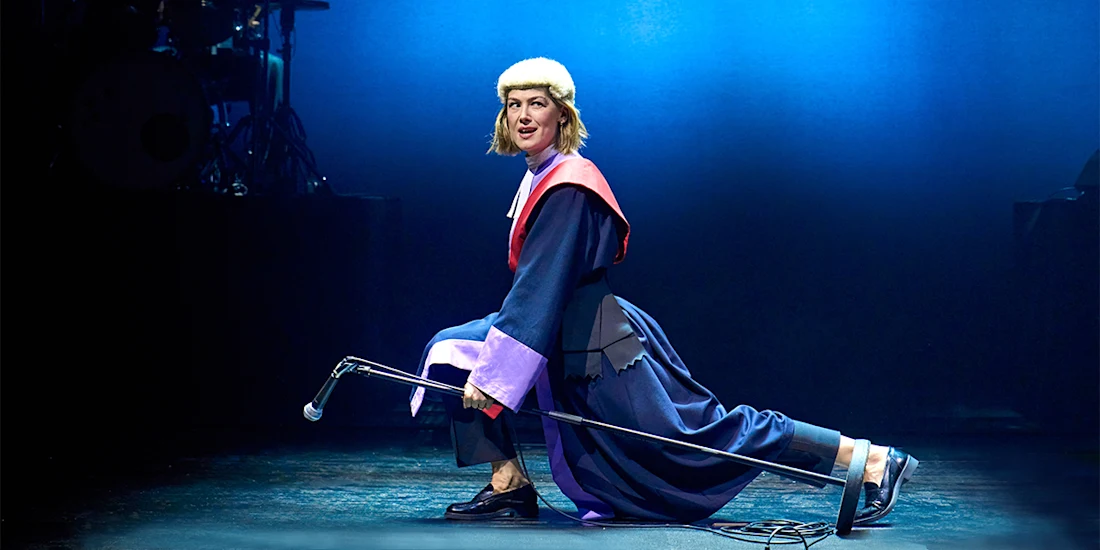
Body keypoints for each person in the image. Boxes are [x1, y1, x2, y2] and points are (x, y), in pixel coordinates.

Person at [410, 57, 918, 525]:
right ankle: (508, 482)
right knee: (452, 350)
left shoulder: (568, 183)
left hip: (596, 339)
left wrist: (498, 374)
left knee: (695, 441)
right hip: (563, 327)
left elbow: (542, 285)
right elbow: (535, 291)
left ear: (561, 115)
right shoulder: (539, 174)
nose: (523, 116)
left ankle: (870, 458)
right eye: (513, 105)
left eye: (536, 104)